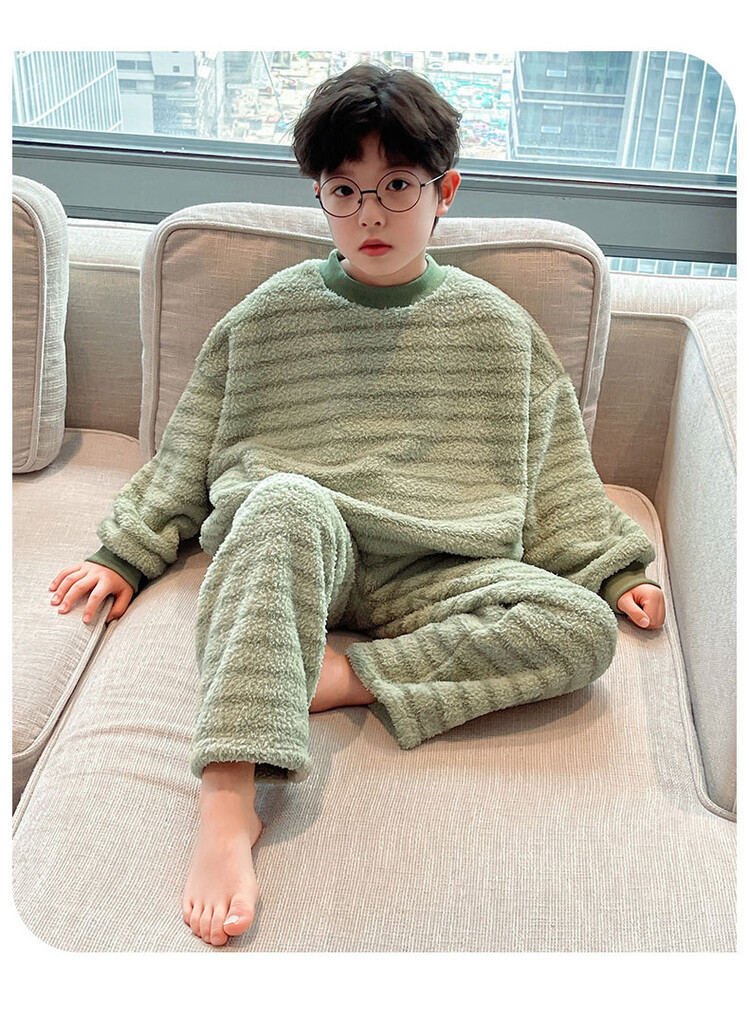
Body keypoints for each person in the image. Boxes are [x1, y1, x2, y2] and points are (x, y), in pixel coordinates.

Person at [48, 63, 666, 948]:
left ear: (444, 191)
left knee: (578, 631)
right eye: (345, 191)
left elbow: (557, 477)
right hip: (299, 547)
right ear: (320, 195)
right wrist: (123, 552)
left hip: (438, 570)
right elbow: (185, 451)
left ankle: (332, 678)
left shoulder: (500, 331)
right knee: (279, 500)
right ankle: (227, 798)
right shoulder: (266, 317)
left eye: (397, 186)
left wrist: (610, 571)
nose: (370, 214)